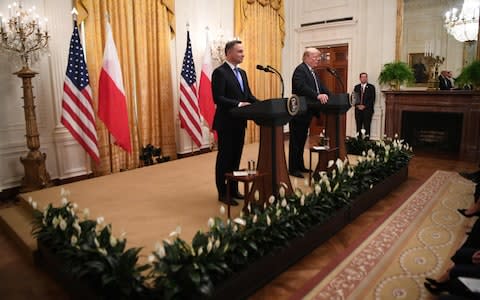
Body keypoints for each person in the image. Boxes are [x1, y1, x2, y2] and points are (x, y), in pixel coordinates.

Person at [212, 40, 258, 206]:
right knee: (225, 158)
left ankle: (234, 188)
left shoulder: (243, 73)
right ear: (229, 53)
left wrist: (262, 104)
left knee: (236, 158)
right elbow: (218, 98)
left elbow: (248, 96)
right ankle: (222, 192)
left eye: (242, 51)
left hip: (240, 122)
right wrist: (238, 104)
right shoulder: (220, 72)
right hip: (226, 123)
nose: (243, 54)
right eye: (239, 51)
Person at [288, 48, 329, 179]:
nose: (318, 59)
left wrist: (332, 96)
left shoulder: (313, 73)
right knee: (296, 141)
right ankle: (293, 168)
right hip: (299, 111)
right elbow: (301, 87)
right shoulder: (300, 70)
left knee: (301, 140)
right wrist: (317, 95)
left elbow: (321, 88)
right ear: (307, 57)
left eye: (318, 57)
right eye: (316, 57)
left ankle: (300, 165)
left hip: (308, 111)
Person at [353, 72, 376, 137]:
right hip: (358, 111)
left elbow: (372, 99)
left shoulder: (371, 87)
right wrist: (357, 105)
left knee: (367, 127)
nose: (364, 78)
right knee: (358, 127)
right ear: (360, 78)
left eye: (365, 77)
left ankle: (366, 143)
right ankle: (358, 143)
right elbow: (354, 98)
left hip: (367, 111)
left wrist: (364, 106)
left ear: (367, 78)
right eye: (362, 77)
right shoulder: (356, 87)